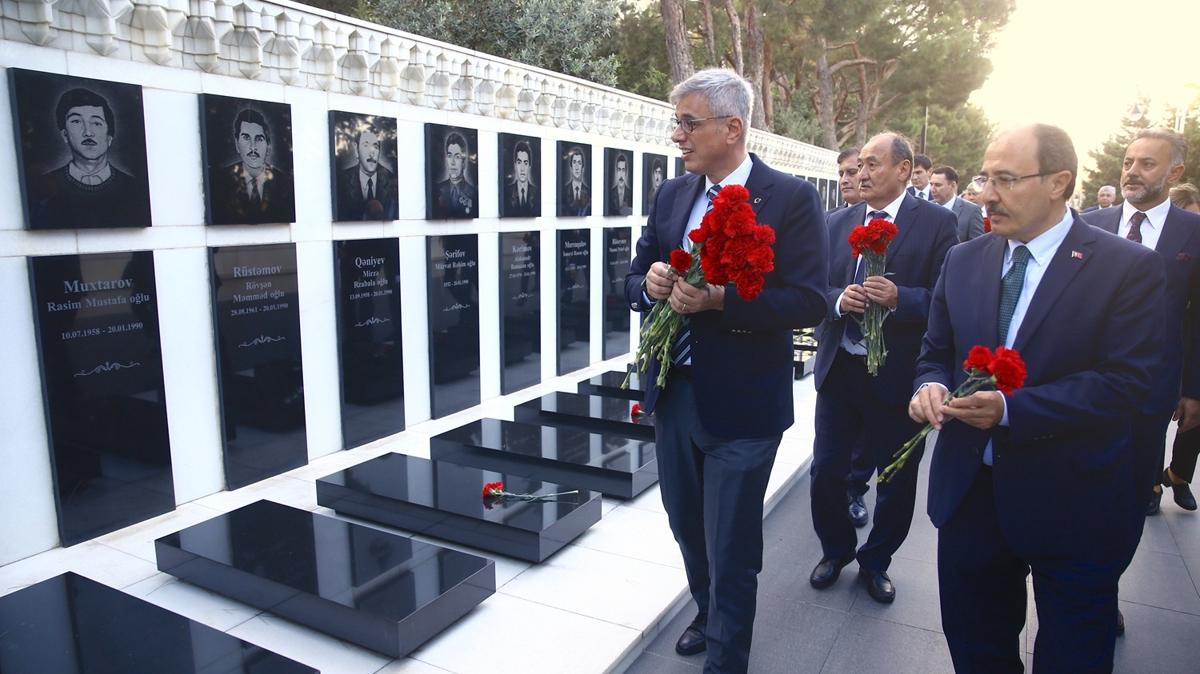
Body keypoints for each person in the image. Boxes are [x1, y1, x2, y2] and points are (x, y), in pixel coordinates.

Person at [912, 124, 1164, 672]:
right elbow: (935, 352)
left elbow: (1127, 383)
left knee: (1074, 653)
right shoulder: (964, 259)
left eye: (1005, 179)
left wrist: (1012, 410)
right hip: (970, 495)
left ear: (1059, 183)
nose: (986, 193)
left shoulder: (1128, 268)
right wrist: (928, 385)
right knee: (977, 647)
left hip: (1072, 499)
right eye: (984, 178)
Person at [624, 68, 828, 673]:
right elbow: (633, 277)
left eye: (688, 123)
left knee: (731, 541)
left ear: (731, 126)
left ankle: (727, 657)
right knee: (687, 525)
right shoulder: (671, 195)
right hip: (676, 392)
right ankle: (708, 610)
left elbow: (810, 300)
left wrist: (722, 300)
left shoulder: (790, 198)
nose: (676, 135)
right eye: (677, 122)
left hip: (742, 404)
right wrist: (650, 283)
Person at [809, 132, 957, 605]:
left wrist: (901, 299)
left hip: (898, 376)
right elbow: (814, 289)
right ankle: (836, 548)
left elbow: (948, 300)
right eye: (860, 165)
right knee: (827, 472)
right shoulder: (837, 222)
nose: (863, 173)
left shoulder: (936, 224)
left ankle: (876, 561)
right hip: (841, 371)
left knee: (896, 479)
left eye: (874, 164)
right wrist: (837, 300)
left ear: (903, 169)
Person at [1083, 129, 1200, 518]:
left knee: (1130, 494)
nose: (1132, 172)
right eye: (1128, 162)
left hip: (1152, 388)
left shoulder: (1193, 232)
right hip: (1080, 380)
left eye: (1147, 164)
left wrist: (1193, 390)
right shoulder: (1088, 224)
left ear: (1174, 171)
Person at [31, 87, 150, 229]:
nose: (88, 132)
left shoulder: (134, 188)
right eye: (76, 122)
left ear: (109, 137)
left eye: (96, 123)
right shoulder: (43, 188)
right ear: (64, 135)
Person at [211, 108, 295, 224]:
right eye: (246, 138)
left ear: (268, 145)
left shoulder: (284, 182)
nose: (253, 147)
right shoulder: (220, 181)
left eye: (259, 139)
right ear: (237, 144)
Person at [336, 125, 397, 221]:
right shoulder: (343, 180)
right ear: (356, 150)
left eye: (375, 146)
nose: (371, 152)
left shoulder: (390, 178)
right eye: (366, 145)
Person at [930, 166, 985, 242]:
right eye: (931, 184)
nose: (932, 189)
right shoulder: (925, 209)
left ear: (953, 185)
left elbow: (978, 245)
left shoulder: (972, 211)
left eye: (938, 185)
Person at [432, 131, 476, 219]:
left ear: (464, 162)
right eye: (449, 156)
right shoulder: (437, 190)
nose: (452, 162)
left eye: (457, 157)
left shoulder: (473, 192)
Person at [504, 140, 539, 217]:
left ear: (529, 166)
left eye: (525, 163)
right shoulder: (507, 192)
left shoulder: (536, 193)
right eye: (519, 163)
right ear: (515, 165)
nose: (522, 168)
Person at [561, 146, 591, 216]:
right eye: (574, 162)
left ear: (582, 167)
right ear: (571, 166)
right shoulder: (564, 190)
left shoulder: (588, 190)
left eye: (579, 163)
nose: (577, 167)